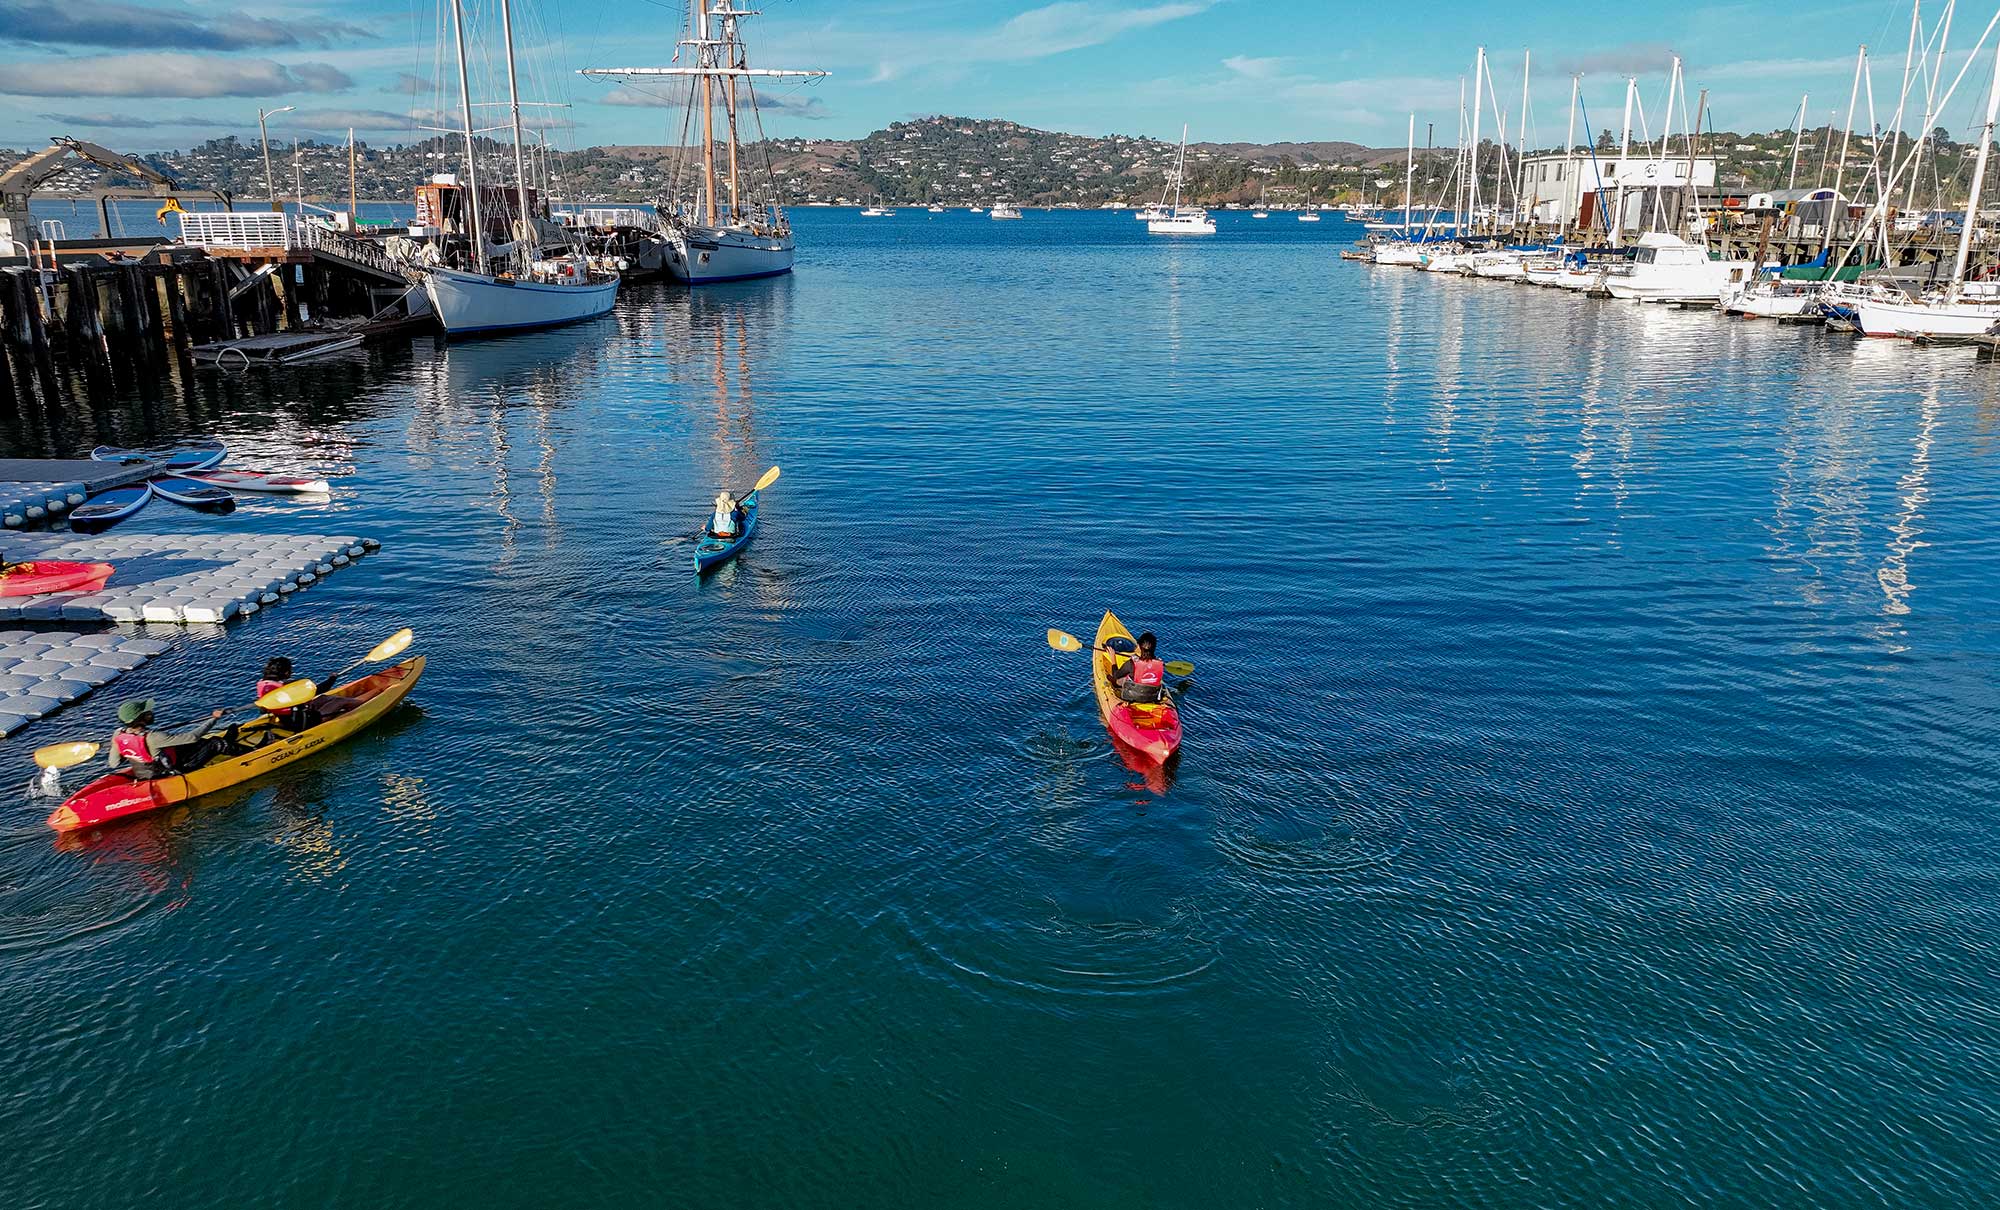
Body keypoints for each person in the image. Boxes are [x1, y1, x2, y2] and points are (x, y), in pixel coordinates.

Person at [107, 698, 234, 779]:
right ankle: (250, 753)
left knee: (192, 744)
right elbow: (192, 737)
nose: (150, 714)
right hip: (170, 772)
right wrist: (214, 719)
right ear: (141, 718)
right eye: (147, 713)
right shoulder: (154, 737)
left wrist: (121, 747)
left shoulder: (118, 735)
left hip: (143, 774)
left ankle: (230, 743)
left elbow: (114, 763)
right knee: (215, 743)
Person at [1112, 632, 1167, 704]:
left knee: (1117, 679)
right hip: (1152, 697)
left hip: (1131, 696)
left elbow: (1116, 675)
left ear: (1140, 647)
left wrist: (1113, 659)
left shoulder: (1132, 663)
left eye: (1138, 645)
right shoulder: (1160, 663)